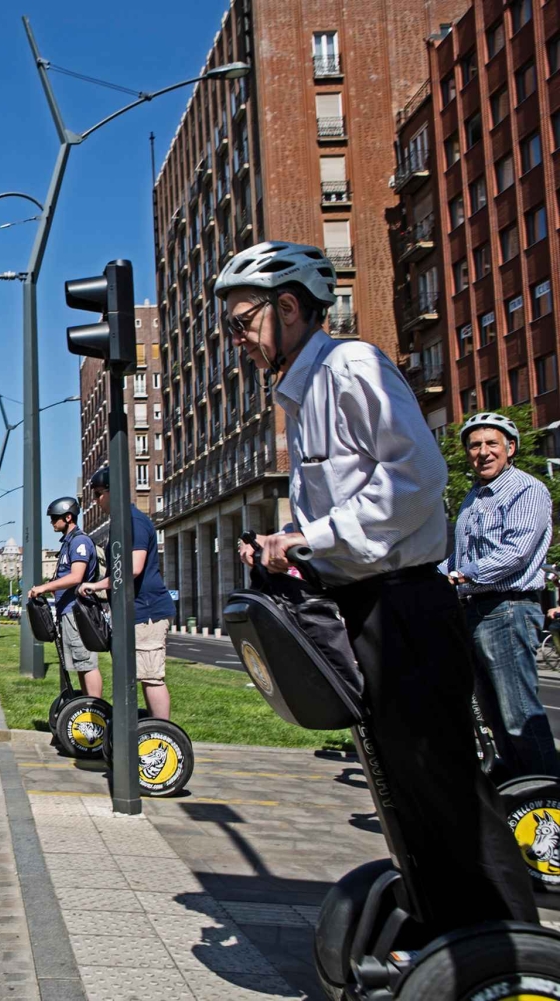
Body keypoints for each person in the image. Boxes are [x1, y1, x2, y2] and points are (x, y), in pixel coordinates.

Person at [219, 239, 536, 933]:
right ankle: (441, 928)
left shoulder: (351, 368)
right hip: (363, 602)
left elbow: (416, 479)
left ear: (291, 307)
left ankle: (510, 948)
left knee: (444, 787)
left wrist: (311, 536)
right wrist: (292, 553)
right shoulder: (304, 396)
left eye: (242, 322)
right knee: (402, 787)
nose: (235, 340)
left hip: (406, 609)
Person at [440, 412, 560, 779]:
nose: (483, 452)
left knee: (519, 713)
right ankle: (517, 794)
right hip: (475, 609)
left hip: (509, 609)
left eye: (492, 444)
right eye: (475, 445)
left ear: (511, 448)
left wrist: (461, 576)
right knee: (491, 714)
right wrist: (436, 576)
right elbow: (458, 558)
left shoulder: (527, 488)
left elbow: (515, 552)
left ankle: (547, 800)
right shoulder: (473, 496)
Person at [76, 467, 175, 718]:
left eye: (99, 494)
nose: (96, 501)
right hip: (135, 611)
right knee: (140, 674)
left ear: (113, 492)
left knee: (151, 676)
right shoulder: (122, 522)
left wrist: (96, 586)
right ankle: (151, 731)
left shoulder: (134, 522)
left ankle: (163, 735)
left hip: (147, 611)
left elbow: (133, 567)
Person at [27, 497, 101, 696]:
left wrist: (44, 587)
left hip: (77, 611)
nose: (52, 522)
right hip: (67, 611)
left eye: (55, 518)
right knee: (79, 664)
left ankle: (96, 711)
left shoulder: (79, 541)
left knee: (86, 663)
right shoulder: (68, 543)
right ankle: (86, 707)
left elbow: (76, 576)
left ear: (68, 517)